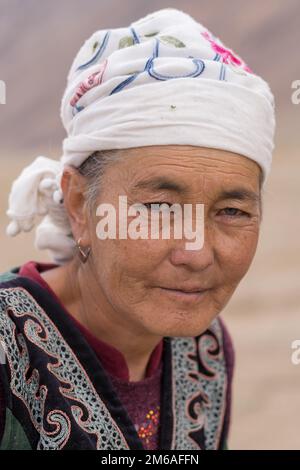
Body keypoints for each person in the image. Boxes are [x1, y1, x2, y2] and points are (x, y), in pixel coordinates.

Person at [0, 7, 275, 450]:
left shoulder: (205, 349)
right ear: (78, 207)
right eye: (160, 207)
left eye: (232, 211)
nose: (198, 253)